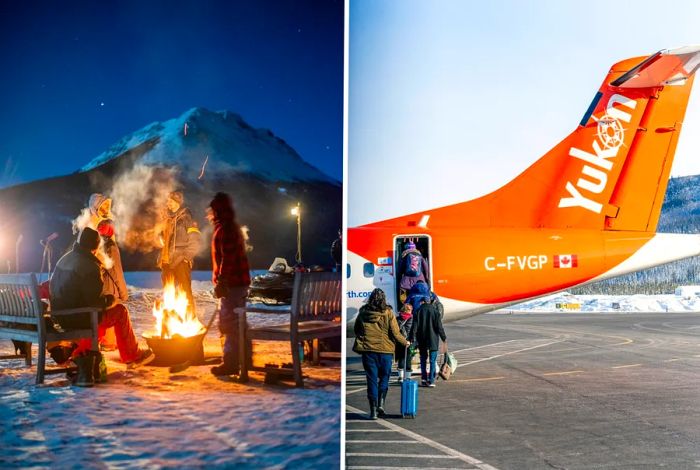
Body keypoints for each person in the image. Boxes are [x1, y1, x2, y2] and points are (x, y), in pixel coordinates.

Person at [50, 227, 153, 386]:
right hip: (77, 317)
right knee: (119, 312)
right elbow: (95, 303)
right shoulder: (89, 265)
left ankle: (80, 353)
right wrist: (111, 299)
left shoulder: (65, 259)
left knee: (94, 317)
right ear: (95, 248)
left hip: (61, 316)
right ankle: (131, 355)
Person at [207, 192, 251, 377]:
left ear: (218, 211)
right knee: (238, 323)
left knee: (229, 323)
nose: (209, 214)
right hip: (237, 283)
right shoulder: (229, 227)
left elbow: (229, 258)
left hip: (232, 285)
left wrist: (222, 281)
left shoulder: (226, 230)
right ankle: (244, 360)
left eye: (212, 210)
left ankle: (231, 363)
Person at [353, 288, 409, 419]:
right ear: (383, 299)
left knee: (371, 380)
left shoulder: (363, 312)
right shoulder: (388, 313)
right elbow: (395, 333)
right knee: (384, 378)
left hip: (368, 351)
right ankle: (381, 404)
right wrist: (405, 342)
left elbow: (357, 330)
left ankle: (373, 411)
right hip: (385, 351)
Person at [158, 190, 201, 314]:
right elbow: (164, 241)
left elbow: (195, 240)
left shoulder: (186, 218)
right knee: (169, 293)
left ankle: (190, 320)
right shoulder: (168, 219)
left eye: (171, 200)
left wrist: (186, 256)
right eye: (167, 201)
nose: (168, 203)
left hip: (181, 261)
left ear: (178, 201)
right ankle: (172, 322)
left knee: (185, 292)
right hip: (166, 262)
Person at [409, 293, 446, 387]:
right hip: (433, 339)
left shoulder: (418, 311)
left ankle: (424, 379)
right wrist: (443, 338)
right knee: (433, 360)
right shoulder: (435, 311)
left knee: (423, 360)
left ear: (423, 302)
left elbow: (414, 326)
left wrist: (411, 337)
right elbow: (439, 327)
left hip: (422, 339)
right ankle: (432, 380)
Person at [398, 241, 430, 305]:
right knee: (420, 296)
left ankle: (406, 310)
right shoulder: (420, 256)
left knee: (404, 299)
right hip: (419, 281)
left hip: (406, 283)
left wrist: (399, 278)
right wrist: (427, 279)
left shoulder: (404, 256)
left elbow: (400, 270)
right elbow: (426, 269)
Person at [395, 302, 413, 382]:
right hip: (409, 341)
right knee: (408, 359)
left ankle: (400, 377)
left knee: (401, 359)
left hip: (399, 341)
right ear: (408, 310)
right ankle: (408, 377)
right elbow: (413, 330)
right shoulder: (412, 318)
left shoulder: (397, 318)